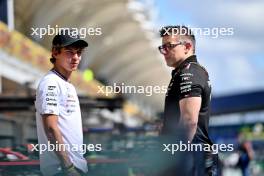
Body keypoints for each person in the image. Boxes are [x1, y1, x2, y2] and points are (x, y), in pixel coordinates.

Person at [159, 25, 217, 175]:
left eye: (169, 46)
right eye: (162, 47)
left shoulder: (189, 72)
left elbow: (189, 121)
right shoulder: (185, 72)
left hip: (190, 158)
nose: (164, 51)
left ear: (187, 46)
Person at [35, 30, 88, 176]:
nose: (75, 57)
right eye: (69, 52)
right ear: (55, 53)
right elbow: (51, 128)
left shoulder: (66, 84)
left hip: (73, 168)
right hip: (62, 171)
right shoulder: (50, 83)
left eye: (79, 52)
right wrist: (68, 167)